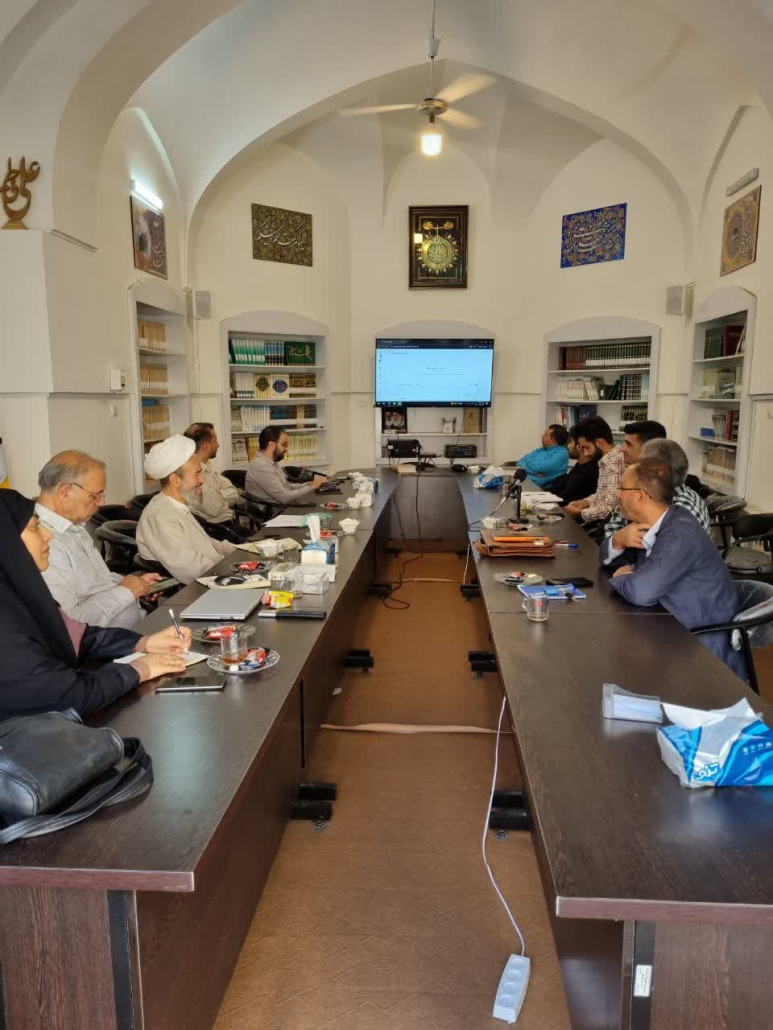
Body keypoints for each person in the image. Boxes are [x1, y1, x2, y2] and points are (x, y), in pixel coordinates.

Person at [0, 490, 190, 717]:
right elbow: (66, 696)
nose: (48, 535)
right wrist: (138, 669)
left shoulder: (20, 592)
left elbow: (77, 635)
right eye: (34, 527)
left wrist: (143, 643)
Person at [599, 459, 746, 680]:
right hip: (667, 626)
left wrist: (624, 576)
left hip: (701, 652)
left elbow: (641, 592)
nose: (617, 495)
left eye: (622, 488)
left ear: (641, 496)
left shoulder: (680, 532)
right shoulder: (655, 523)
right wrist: (618, 540)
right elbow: (611, 561)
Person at [36, 450, 161, 629]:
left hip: (133, 627)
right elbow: (71, 623)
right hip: (109, 643)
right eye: (95, 495)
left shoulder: (72, 526)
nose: (101, 502)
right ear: (65, 492)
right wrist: (126, 591)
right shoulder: (44, 544)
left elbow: (98, 581)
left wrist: (135, 584)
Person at [137, 435, 240, 584]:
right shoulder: (160, 516)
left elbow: (206, 544)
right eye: (197, 474)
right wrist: (237, 572)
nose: (202, 480)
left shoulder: (176, 505)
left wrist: (245, 551)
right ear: (175, 480)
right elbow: (192, 569)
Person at [605, 436, 709, 541]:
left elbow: (650, 547)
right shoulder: (651, 492)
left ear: (660, 473)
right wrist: (618, 539)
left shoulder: (683, 509)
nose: (635, 472)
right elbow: (615, 523)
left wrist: (619, 541)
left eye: (640, 468)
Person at [564, 416, 625, 524]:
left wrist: (580, 512)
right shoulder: (607, 460)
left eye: (587, 447)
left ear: (600, 443)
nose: (585, 453)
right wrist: (584, 502)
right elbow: (602, 495)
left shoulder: (615, 462)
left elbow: (610, 509)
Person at [246, 426, 328, 504]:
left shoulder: (271, 462)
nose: (286, 448)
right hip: (276, 511)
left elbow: (288, 487)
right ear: (271, 445)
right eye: (284, 444)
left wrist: (310, 484)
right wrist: (311, 487)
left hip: (282, 508)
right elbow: (285, 498)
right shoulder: (261, 467)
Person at [183, 423, 242, 528]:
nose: (218, 444)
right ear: (206, 446)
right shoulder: (194, 475)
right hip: (219, 529)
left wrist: (216, 494)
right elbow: (215, 509)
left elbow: (234, 493)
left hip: (230, 523)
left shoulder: (207, 466)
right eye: (215, 441)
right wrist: (220, 495)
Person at [555, 425, 599, 505]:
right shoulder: (579, 465)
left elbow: (566, 497)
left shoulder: (589, 471)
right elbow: (562, 485)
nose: (568, 446)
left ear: (581, 445)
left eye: (571, 442)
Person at [514, 424, 569, 489]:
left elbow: (541, 467)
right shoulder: (540, 450)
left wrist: (527, 461)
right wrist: (533, 472)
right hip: (522, 484)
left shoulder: (562, 453)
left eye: (545, 435)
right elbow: (520, 462)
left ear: (552, 441)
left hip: (538, 490)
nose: (542, 436)